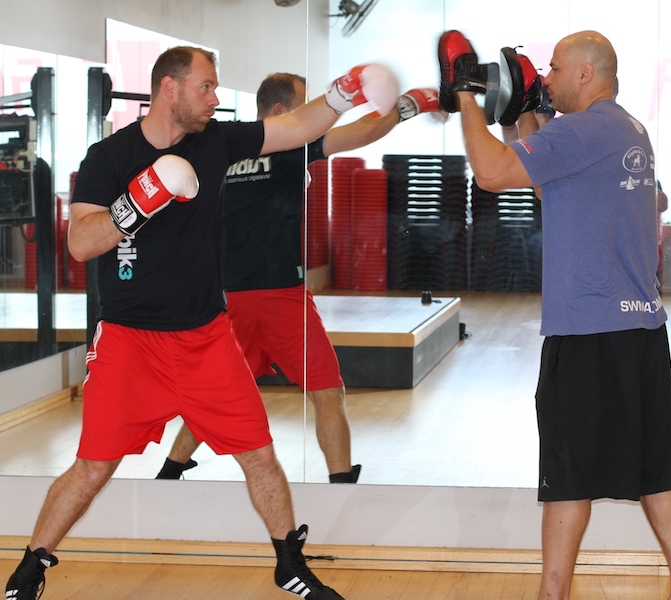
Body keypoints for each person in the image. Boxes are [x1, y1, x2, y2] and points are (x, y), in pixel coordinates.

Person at [4, 46, 400, 600]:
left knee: (259, 455)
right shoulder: (109, 157)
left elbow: (293, 127)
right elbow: (80, 242)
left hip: (206, 336)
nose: (216, 99)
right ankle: (29, 567)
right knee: (93, 466)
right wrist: (141, 199)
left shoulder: (217, 141)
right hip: (129, 341)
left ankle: (289, 563)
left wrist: (343, 92)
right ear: (170, 88)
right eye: (207, 87)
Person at [439, 30, 671, 600]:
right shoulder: (624, 127)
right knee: (656, 468)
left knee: (565, 474)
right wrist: (522, 115)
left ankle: (552, 593)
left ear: (586, 74)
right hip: (641, 331)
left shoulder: (583, 130)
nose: (549, 78)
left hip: (588, 332)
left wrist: (465, 95)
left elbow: (491, 173)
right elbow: (550, 183)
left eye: (556, 69)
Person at [155, 73, 442, 484]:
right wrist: (409, 104)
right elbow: (363, 132)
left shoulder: (216, 150)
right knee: (327, 392)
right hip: (279, 298)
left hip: (226, 298)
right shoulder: (290, 146)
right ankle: (342, 484)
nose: (315, 117)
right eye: (306, 107)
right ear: (280, 112)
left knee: (216, 397)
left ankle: (170, 472)